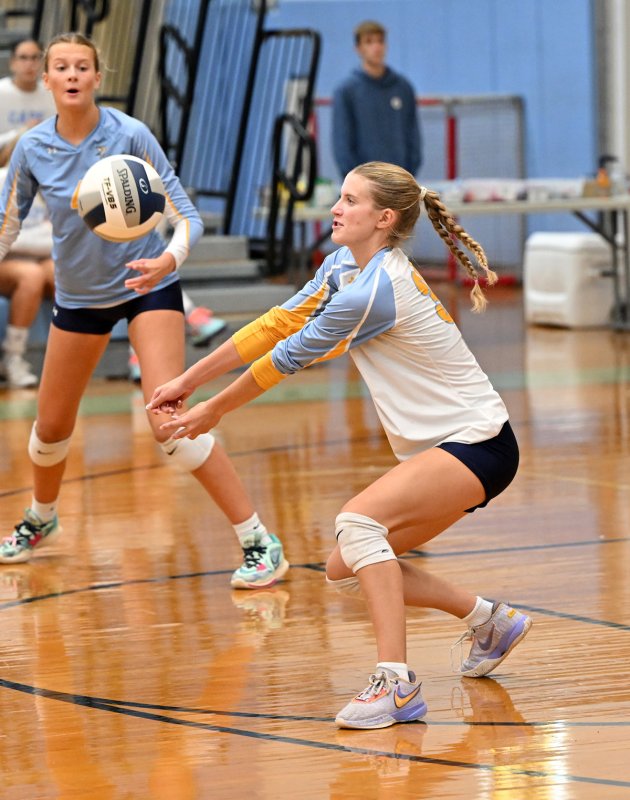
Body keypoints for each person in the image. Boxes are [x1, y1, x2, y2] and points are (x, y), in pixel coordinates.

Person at [147, 161, 532, 730]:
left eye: (349, 200)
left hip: (478, 442)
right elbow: (274, 325)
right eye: (339, 197)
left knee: (358, 524)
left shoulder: (376, 290)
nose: (335, 208)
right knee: (347, 569)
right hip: (453, 448)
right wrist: (187, 379)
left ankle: (396, 684)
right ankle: (488, 621)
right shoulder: (342, 268)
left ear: (383, 218)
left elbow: (288, 357)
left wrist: (209, 411)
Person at [0, 32, 289, 592]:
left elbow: (189, 217)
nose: (72, 75)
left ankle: (259, 540)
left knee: (169, 423)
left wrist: (167, 259)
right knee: (50, 428)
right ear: (50, 80)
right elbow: (8, 227)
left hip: (147, 287)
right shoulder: (32, 148)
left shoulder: (130, 134)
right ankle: (42, 516)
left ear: (97, 76)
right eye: (61, 67)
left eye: (82, 65)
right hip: (81, 298)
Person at [332, 20, 422, 180]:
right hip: (363, 186)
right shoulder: (346, 91)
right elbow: (342, 144)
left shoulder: (403, 87)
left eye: (380, 41)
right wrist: (358, 182)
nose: (376, 47)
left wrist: (406, 176)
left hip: (398, 183)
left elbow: (413, 134)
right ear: (358, 49)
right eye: (369, 42)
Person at [0, 168, 54, 388]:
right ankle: (12, 357)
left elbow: (62, 237)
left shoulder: (51, 183)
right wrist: (40, 237)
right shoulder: (4, 180)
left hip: (38, 257)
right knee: (31, 276)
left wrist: (25, 240)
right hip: (5, 260)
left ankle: (65, 362)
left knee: (64, 275)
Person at [0, 37, 56, 167]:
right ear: (12, 62)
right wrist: (23, 131)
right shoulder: (2, 92)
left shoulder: (52, 92)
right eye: (23, 58)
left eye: (35, 58)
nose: (29, 64)